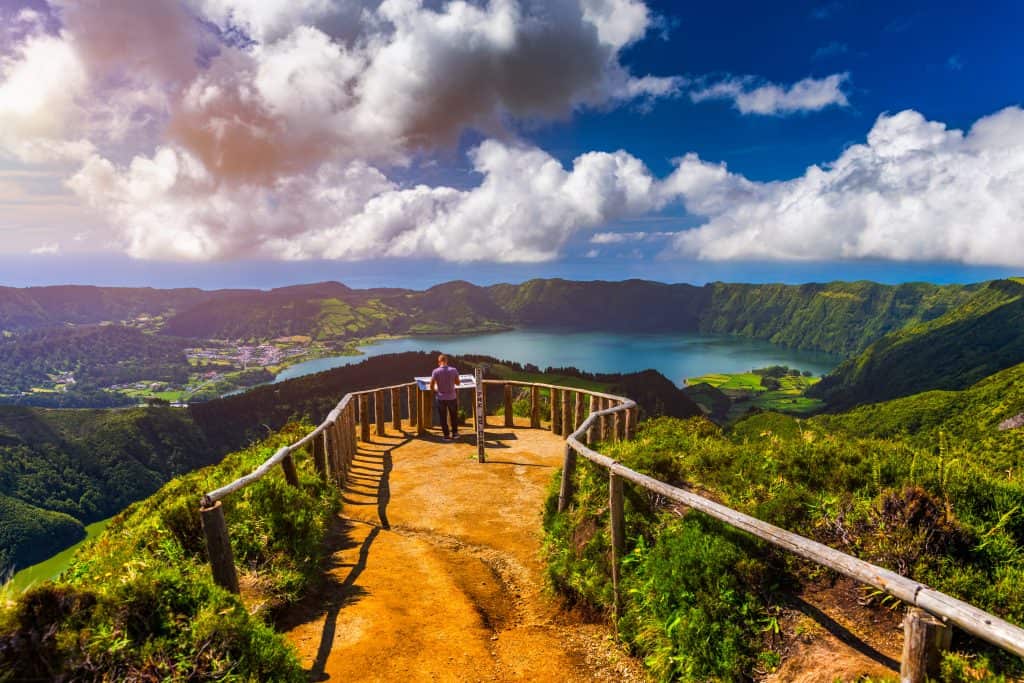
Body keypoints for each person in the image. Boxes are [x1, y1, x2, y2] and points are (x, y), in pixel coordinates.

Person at [429, 354, 460, 441]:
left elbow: (431, 385)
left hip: (441, 398)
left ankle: (446, 436)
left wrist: (436, 390)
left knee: (443, 417)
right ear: (447, 361)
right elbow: (458, 383)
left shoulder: (435, 371)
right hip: (452, 397)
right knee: (453, 416)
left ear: (439, 362)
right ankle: (455, 434)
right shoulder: (453, 370)